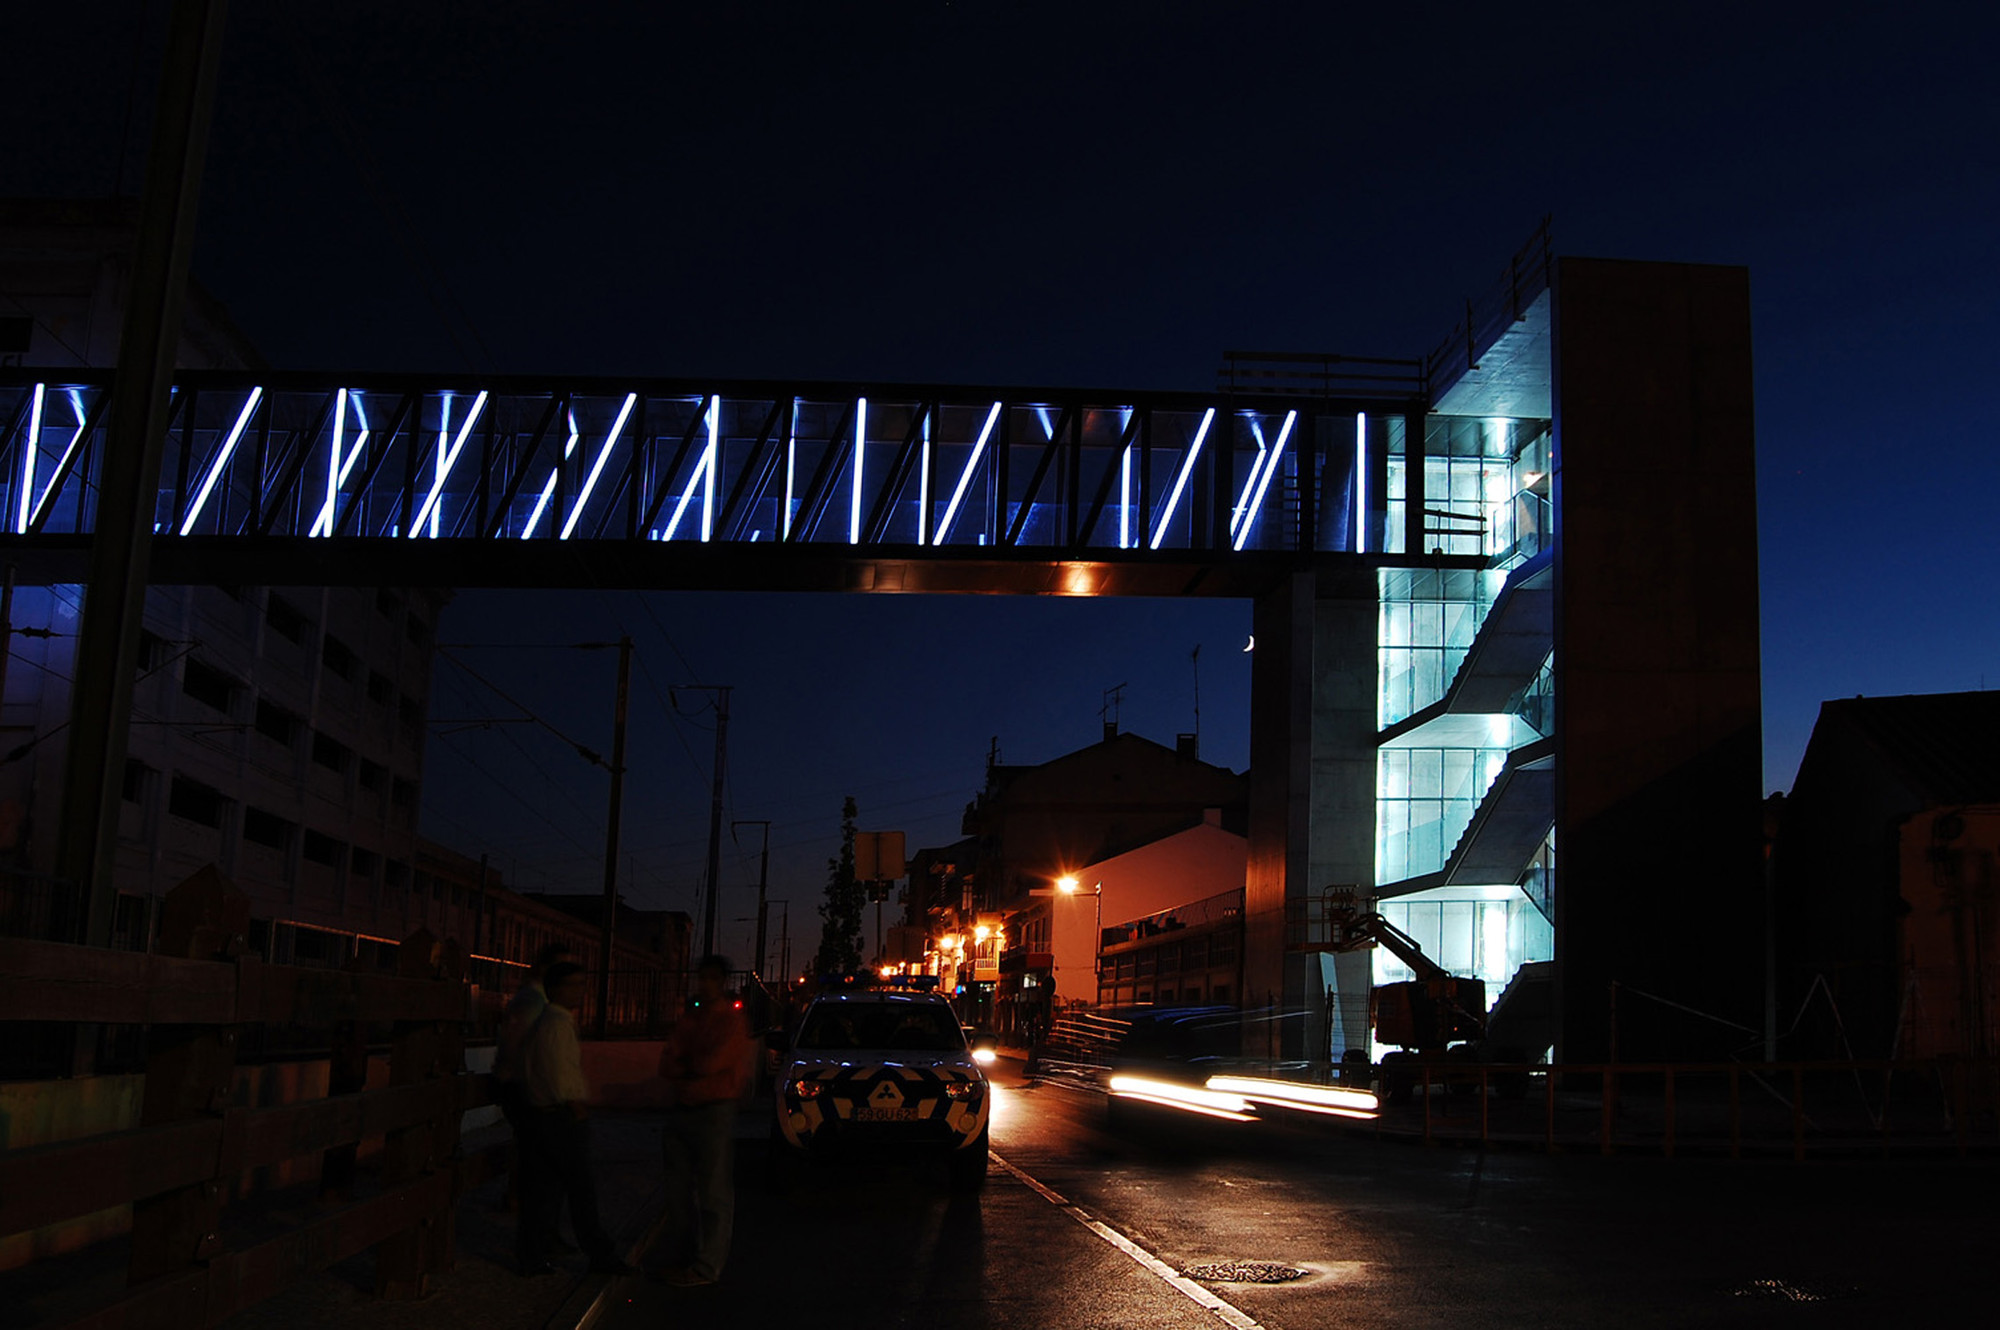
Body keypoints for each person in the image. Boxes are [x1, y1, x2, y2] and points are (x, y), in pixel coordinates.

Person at [516, 961, 636, 1278]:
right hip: (560, 1117)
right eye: (573, 984)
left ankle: (532, 1255)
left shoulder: (549, 1022)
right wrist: (576, 1107)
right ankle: (599, 1254)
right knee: (580, 1191)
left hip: (546, 1116)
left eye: (582, 984)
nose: (580, 990)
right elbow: (559, 1075)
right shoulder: (555, 1024)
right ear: (556, 989)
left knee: (546, 1190)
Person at [652, 955, 753, 1287]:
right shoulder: (692, 1018)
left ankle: (707, 1265)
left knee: (713, 1191)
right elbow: (669, 1061)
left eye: (711, 978)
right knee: (677, 1192)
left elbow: (710, 1063)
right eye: (702, 977)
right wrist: (688, 1065)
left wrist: (686, 1064)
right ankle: (683, 1258)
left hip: (714, 1109)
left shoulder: (730, 1021)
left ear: (721, 981)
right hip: (685, 1107)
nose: (705, 984)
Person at [493, 943, 577, 1236]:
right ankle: (527, 1216)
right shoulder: (534, 1002)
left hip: (526, 1087)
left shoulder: (537, 1000)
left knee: (534, 1157)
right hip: (525, 1088)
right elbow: (524, 1050)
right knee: (537, 1160)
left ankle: (527, 1211)